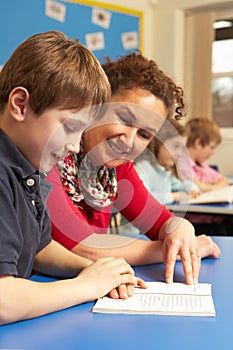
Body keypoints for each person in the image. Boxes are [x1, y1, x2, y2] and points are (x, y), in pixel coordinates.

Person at [0, 31, 145, 326]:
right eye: (70, 127)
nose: (75, 147)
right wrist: (86, 286)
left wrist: (95, 270)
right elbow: (3, 300)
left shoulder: (28, 169)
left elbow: (40, 249)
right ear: (20, 104)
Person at [46, 53, 221, 287]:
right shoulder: (50, 157)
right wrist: (179, 249)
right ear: (97, 106)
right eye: (124, 118)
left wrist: (181, 228)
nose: (129, 141)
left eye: (144, 134)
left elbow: (160, 221)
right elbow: (84, 247)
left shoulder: (118, 170)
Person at [178, 117, 232, 235]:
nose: (213, 152)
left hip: (213, 219)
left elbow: (224, 180)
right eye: (211, 147)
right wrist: (212, 186)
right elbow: (194, 186)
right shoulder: (181, 163)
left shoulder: (202, 165)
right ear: (198, 143)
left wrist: (207, 186)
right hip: (194, 224)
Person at [134, 119, 200, 205]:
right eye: (175, 146)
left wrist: (192, 189)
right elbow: (141, 198)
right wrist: (174, 196)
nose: (180, 153)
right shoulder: (143, 168)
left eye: (182, 148)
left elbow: (180, 183)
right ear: (158, 143)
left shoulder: (163, 170)